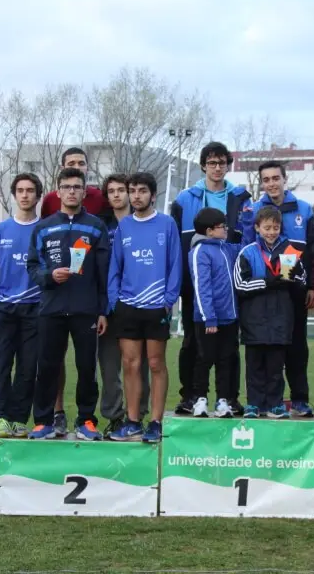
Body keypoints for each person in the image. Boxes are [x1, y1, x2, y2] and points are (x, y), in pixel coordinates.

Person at [26, 167, 110, 441]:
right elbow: (33, 267)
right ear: (58, 191)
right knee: (48, 365)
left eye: (77, 187)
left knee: (87, 366)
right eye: (66, 186)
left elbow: (103, 274)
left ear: (84, 192)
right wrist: (49, 276)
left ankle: (86, 420)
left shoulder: (96, 226)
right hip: (51, 308)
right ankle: (43, 421)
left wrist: (102, 310)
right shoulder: (44, 227)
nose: (72, 191)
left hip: (85, 310)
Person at [171, 141, 252, 416]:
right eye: (212, 162)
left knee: (230, 345)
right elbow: (176, 242)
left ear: (228, 165)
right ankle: (191, 396)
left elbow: (247, 239)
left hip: (230, 286)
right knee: (194, 342)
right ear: (203, 165)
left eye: (222, 163)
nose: (217, 168)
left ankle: (229, 398)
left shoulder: (241, 198)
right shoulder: (185, 199)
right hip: (193, 282)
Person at [108, 172, 182, 443]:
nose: (136, 196)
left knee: (155, 363)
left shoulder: (166, 224)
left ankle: (156, 421)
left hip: (156, 307)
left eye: (142, 191)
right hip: (128, 305)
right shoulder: (124, 227)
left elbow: (175, 264)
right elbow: (115, 266)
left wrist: (168, 301)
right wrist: (114, 299)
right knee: (130, 364)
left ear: (153, 195)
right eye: (133, 191)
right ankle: (132, 421)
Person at [242, 161, 314, 417]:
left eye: (276, 178)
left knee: (297, 348)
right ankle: (259, 402)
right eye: (267, 179)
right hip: (261, 298)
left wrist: (312, 285)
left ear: (285, 179)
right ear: (262, 183)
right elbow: (245, 248)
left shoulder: (304, 210)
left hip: (293, 294)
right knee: (261, 354)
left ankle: (298, 399)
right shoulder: (254, 210)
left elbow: (313, 251)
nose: (272, 183)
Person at [0, 172, 44, 439]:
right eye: (20, 190)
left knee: (27, 367)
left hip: (34, 308)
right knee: (0, 365)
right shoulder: (1, 230)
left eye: (30, 190)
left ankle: (20, 419)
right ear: (14, 194)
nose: (24, 195)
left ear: (37, 195)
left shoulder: (44, 230)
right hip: (4, 308)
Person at [234, 205, 306, 418]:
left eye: (275, 227)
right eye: (267, 227)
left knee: (276, 368)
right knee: (254, 367)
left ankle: (275, 404)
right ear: (257, 228)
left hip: (281, 320)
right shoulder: (247, 252)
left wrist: (294, 278)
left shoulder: (290, 251)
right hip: (254, 321)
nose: (271, 232)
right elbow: (240, 285)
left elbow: (302, 281)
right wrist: (266, 282)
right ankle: (254, 405)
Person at [98, 173, 151, 436]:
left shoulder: (143, 223)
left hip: (139, 304)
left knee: (138, 364)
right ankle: (114, 415)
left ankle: (138, 413)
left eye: (122, 190)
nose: (117, 195)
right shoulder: (100, 226)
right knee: (109, 366)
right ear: (106, 197)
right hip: (108, 306)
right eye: (112, 191)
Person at [189, 207, 240, 418]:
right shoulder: (200, 252)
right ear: (210, 231)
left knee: (225, 360)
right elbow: (202, 287)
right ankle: (200, 399)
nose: (226, 230)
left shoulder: (226, 249)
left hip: (229, 318)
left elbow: (244, 247)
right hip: (207, 319)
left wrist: (246, 221)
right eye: (222, 227)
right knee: (204, 358)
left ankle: (222, 401)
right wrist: (208, 316)